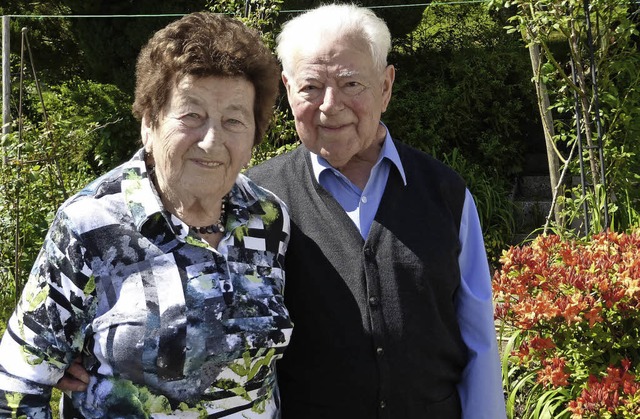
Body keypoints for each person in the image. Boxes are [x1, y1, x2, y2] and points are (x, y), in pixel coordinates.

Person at [0, 12, 292, 418]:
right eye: (191, 115)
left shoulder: (269, 218)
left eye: (234, 120)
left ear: (255, 134)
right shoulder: (92, 224)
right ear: (149, 122)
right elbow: (16, 387)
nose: (212, 140)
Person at [245, 4, 507, 418]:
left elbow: (479, 337)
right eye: (311, 87)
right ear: (287, 89)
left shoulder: (444, 192)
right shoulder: (258, 199)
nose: (330, 106)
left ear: (385, 87)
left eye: (352, 83)